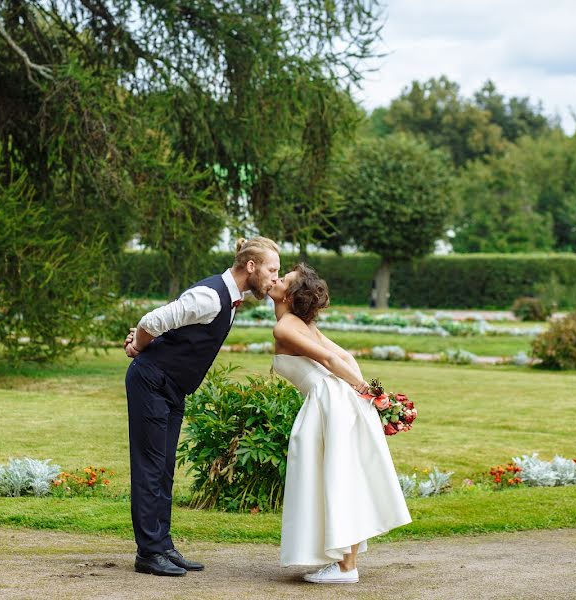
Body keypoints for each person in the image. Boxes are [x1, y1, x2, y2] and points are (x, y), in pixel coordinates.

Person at [123, 237, 281, 577]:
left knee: (164, 468)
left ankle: (162, 545)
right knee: (150, 467)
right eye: (272, 270)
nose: (274, 279)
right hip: (152, 381)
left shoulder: (229, 298)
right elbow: (153, 321)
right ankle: (149, 552)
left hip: (171, 389)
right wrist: (137, 345)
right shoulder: (210, 296)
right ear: (251, 267)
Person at [268, 263, 411, 584]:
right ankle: (345, 563)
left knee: (337, 478)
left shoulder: (285, 328)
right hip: (336, 400)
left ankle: (346, 567)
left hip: (329, 402)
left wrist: (365, 391)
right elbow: (345, 358)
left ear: (289, 297)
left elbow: (333, 361)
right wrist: (367, 392)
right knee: (343, 477)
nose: (275, 279)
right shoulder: (300, 325)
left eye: (284, 279)